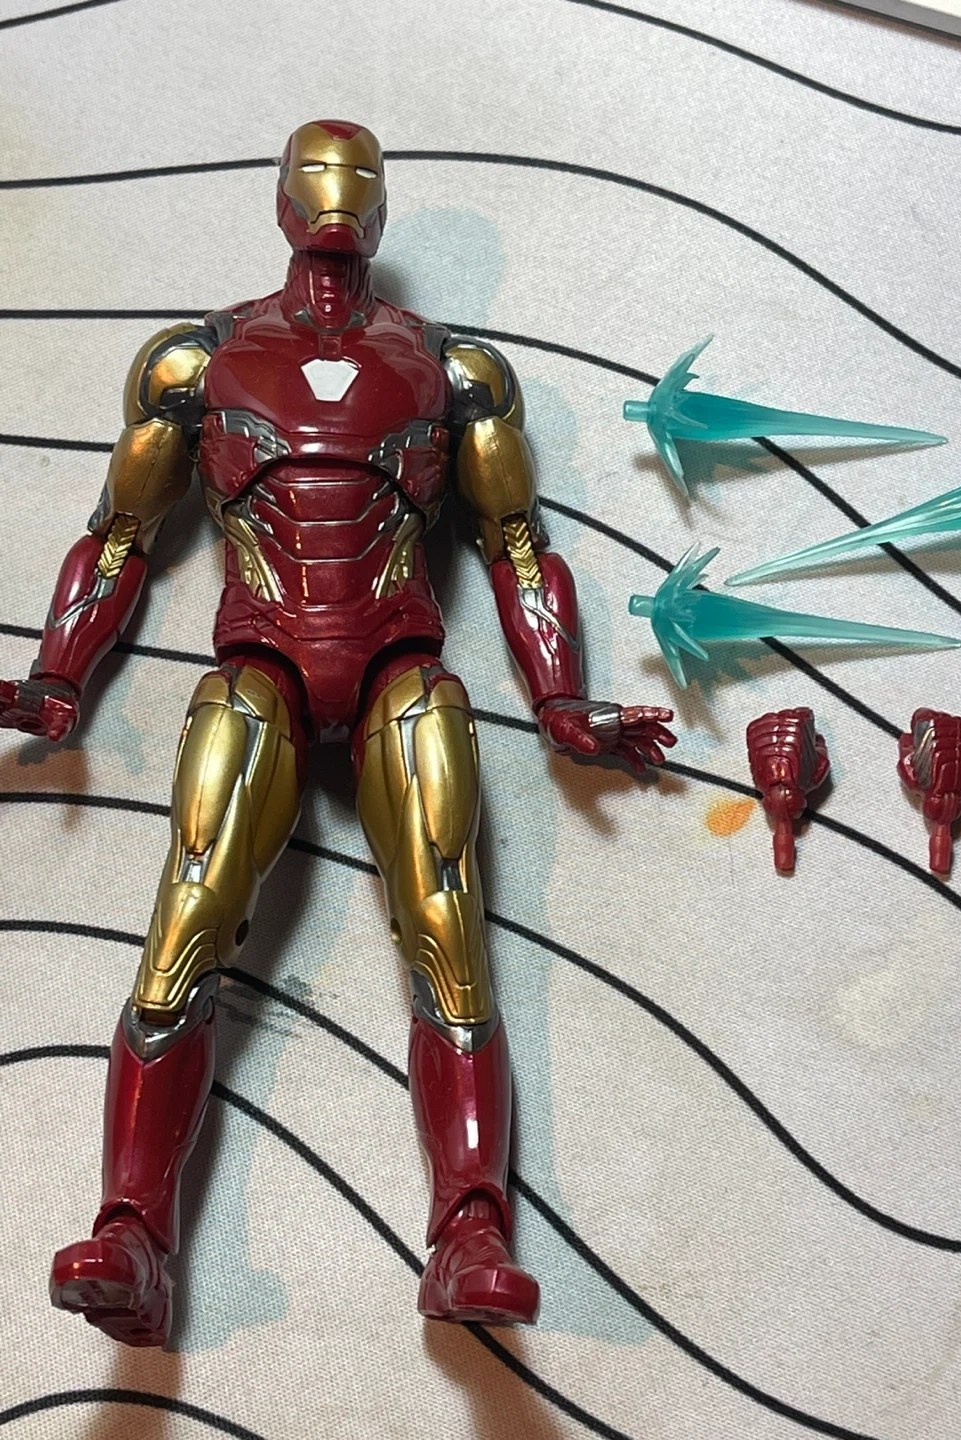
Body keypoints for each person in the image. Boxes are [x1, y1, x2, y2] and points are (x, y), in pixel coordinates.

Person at [0, 119, 676, 1344]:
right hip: (257, 663)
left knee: (447, 927)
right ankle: (132, 1234)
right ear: (282, 198)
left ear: (381, 203)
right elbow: (121, 534)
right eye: (318, 176)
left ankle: (471, 1231)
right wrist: (59, 674)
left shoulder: (455, 371)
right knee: (188, 915)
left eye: (358, 178)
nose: (336, 201)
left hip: (397, 664)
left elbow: (518, 546)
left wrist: (560, 698)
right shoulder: (197, 362)